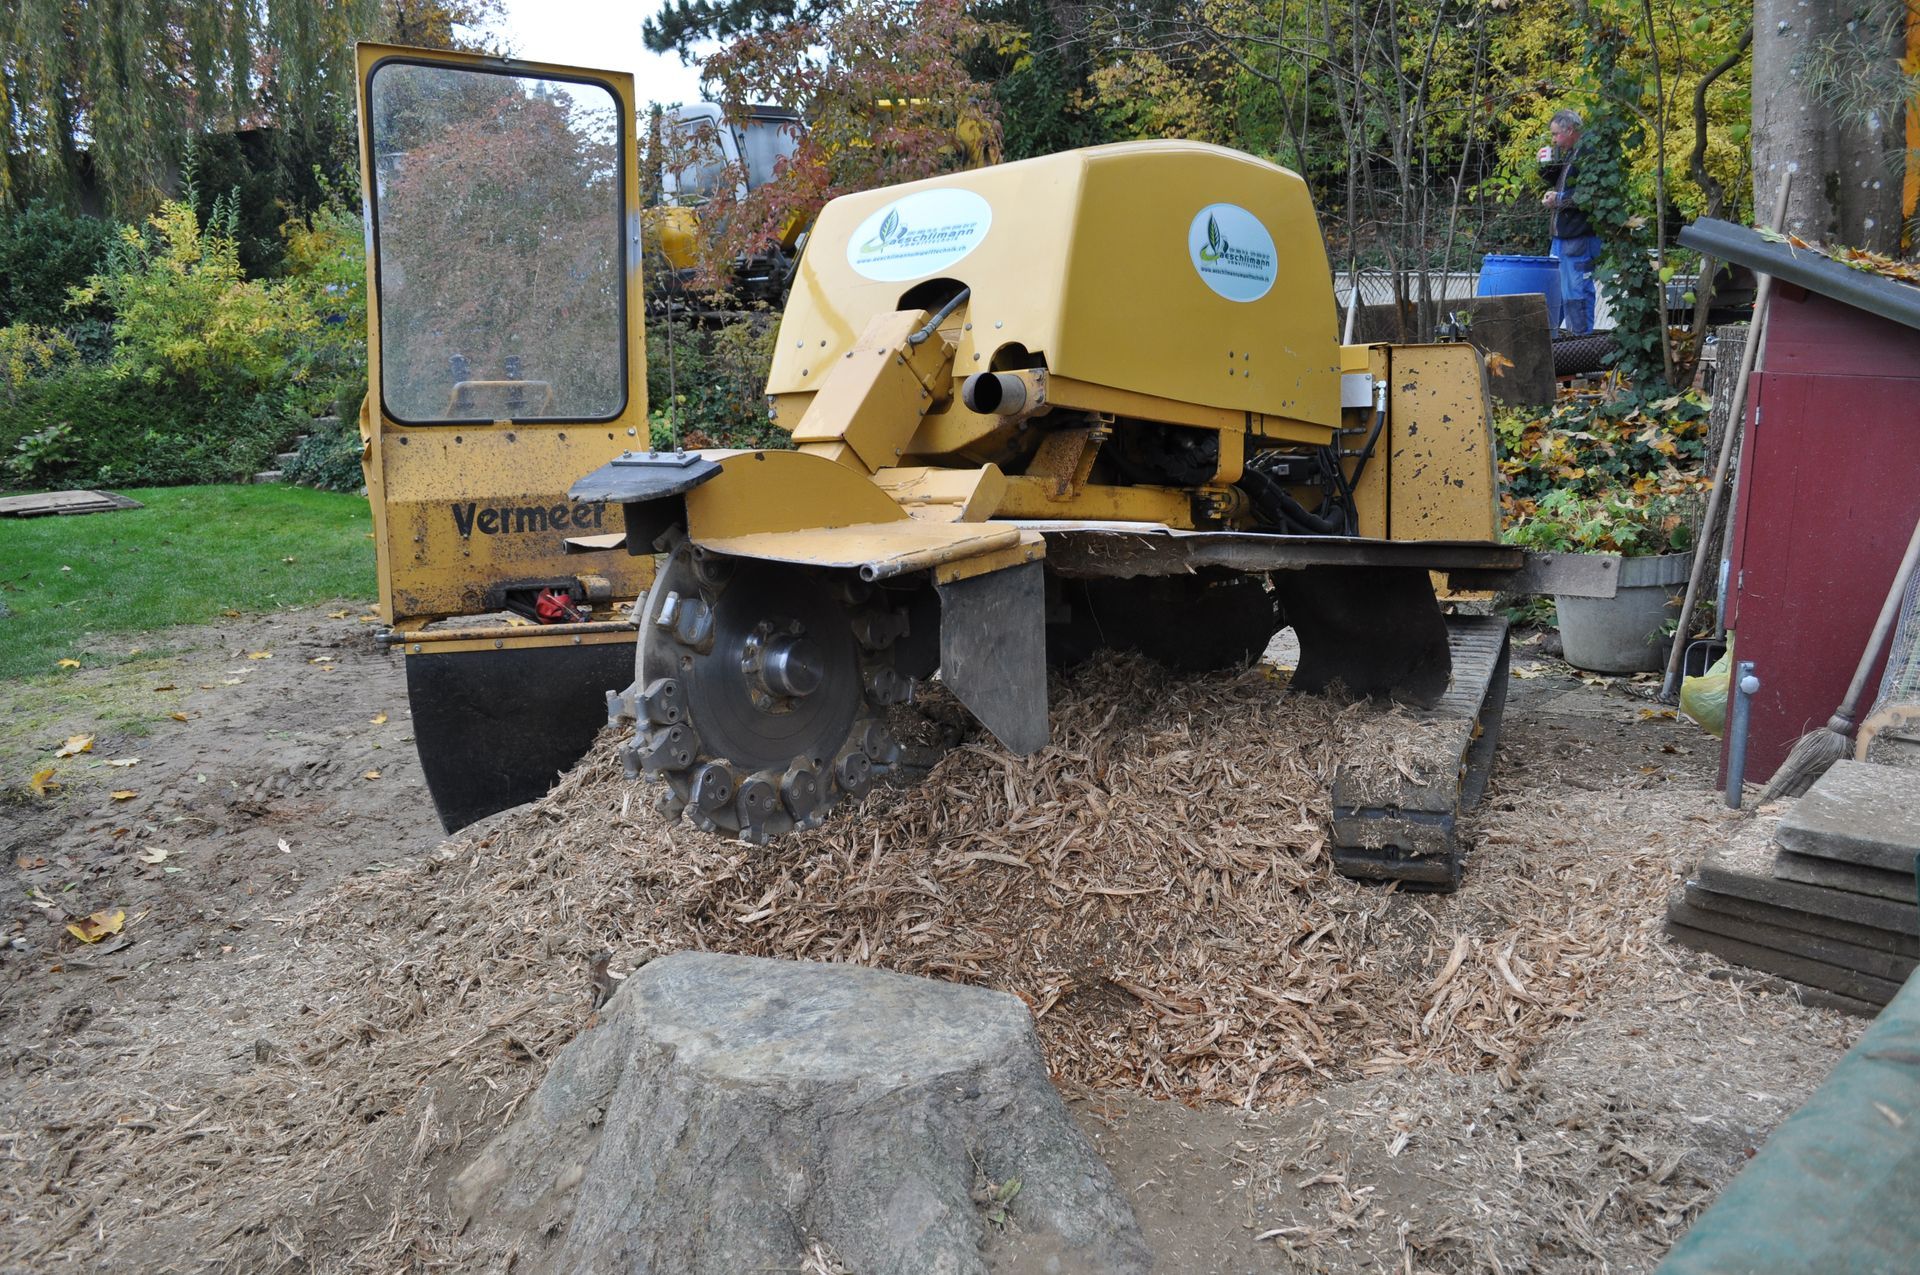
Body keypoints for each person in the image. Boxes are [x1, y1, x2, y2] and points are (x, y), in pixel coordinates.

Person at [1540, 109, 1601, 335]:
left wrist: (1559, 199)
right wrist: (1546, 164)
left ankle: (1581, 342)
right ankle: (1556, 339)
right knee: (1559, 293)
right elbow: (1558, 181)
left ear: (1570, 130)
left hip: (1578, 237)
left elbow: (1590, 194)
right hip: (1562, 237)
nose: (1553, 139)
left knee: (1577, 292)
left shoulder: (1588, 152)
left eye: (1556, 134)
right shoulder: (1571, 152)